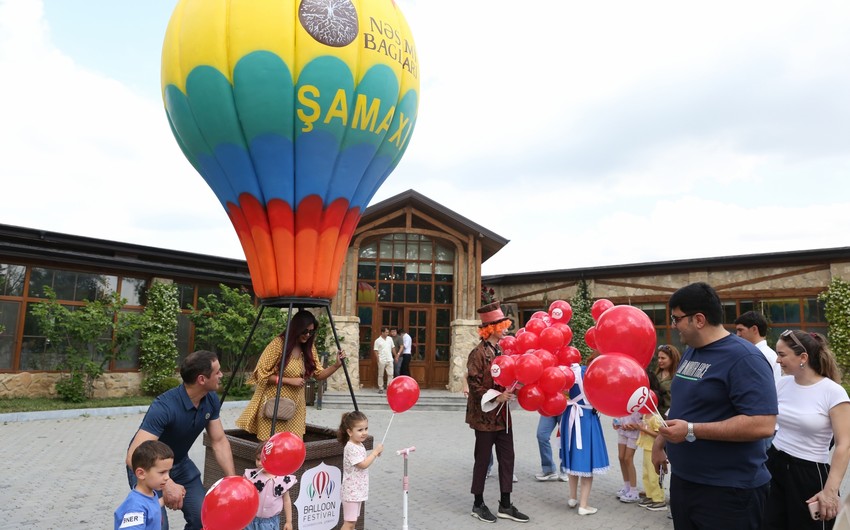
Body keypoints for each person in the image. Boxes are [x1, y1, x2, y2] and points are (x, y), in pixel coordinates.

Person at [652, 282, 777, 530]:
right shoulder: (691, 352)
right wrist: (660, 443)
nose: (674, 325)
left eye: (676, 318)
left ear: (699, 319)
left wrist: (691, 430)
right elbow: (683, 406)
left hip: (728, 491)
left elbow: (763, 424)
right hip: (686, 483)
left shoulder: (744, 358)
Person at [125, 350, 236, 530]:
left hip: (180, 463)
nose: (221, 375)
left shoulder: (210, 400)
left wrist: (232, 479)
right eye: (217, 372)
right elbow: (132, 456)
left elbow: (219, 441)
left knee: (204, 518)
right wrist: (167, 482)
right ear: (202, 379)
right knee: (157, 526)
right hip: (149, 467)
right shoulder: (164, 407)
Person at [763, 330, 850, 528]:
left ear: (803, 357)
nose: (777, 360)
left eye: (782, 355)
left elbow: (844, 445)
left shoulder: (833, 392)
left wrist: (830, 491)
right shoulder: (782, 385)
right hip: (774, 464)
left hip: (809, 474)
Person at [236, 310, 347, 441]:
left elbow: (319, 374)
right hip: (274, 405)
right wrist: (289, 381)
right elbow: (261, 374)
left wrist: (336, 365)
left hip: (295, 408)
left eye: (311, 332)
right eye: (305, 331)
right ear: (296, 328)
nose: (307, 335)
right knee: (270, 445)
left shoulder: (309, 348)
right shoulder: (278, 344)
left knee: (291, 445)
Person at [466, 301, 529, 523]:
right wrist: (496, 396)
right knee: (482, 460)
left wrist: (514, 387)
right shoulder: (477, 353)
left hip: (503, 417)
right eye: (502, 325)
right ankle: (478, 503)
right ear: (491, 328)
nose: (506, 329)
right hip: (484, 417)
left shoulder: (502, 350)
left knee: (507, 459)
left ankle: (505, 503)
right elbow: (474, 385)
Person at [560, 353, 609, 516]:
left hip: (569, 417)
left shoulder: (573, 371)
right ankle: (584, 505)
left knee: (573, 456)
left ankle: (572, 498)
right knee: (587, 461)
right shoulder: (599, 378)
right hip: (586, 419)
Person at [338, 410, 384, 530]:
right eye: (360, 430)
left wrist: (375, 454)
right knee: (349, 523)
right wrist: (374, 453)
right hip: (351, 491)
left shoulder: (359, 444)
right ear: (349, 432)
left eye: (366, 429)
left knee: (353, 523)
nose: (364, 433)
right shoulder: (351, 447)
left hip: (357, 491)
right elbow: (363, 464)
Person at [115, 440, 174, 530]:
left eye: (168, 472)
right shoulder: (134, 507)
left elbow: (151, 506)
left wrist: (165, 500)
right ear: (141, 473)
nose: (167, 477)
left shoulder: (149, 494)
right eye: (162, 472)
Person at [244, 443, 297, 530]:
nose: (260, 463)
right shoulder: (251, 476)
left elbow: (286, 500)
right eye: (258, 459)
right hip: (250, 520)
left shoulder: (282, 479)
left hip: (270, 522)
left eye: (264, 460)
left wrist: (289, 521)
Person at [635, 371, 666, 511]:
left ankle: (659, 499)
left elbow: (660, 435)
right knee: (646, 474)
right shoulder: (645, 416)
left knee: (654, 475)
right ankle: (650, 495)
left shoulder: (655, 418)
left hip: (653, 449)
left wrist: (644, 429)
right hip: (646, 448)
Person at [734, 310, 782, 382]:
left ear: (754, 329)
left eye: (740, 330)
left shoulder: (765, 356)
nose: (737, 334)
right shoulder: (754, 353)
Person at [612, 411, 641, 503]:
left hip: (634, 433)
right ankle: (626, 486)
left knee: (628, 458)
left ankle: (633, 491)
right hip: (622, 430)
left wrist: (635, 425)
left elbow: (643, 420)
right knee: (621, 457)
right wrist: (615, 422)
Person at [535, 412, 566, 482]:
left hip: (566, 406)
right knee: (541, 435)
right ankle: (549, 469)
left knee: (565, 437)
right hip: (548, 406)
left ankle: (565, 469)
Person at [655, 344, 680, 418]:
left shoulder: (678, 376)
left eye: (663, 358)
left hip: (671, 417)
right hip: (656, 416)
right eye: (658, 358)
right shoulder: (656, 375)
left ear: (672, 359)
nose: (659, 360)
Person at [373, 327, 394, 394]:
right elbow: (375, 350)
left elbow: (393, 347)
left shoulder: (390, 339)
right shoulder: (377, 340)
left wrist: (395, 355)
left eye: (388, 332)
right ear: (382, 332)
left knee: (390, 374)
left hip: (389, 358)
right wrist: (378, 358)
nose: (387, 333)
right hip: (382, 359)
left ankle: (389, 388)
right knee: (381, 374)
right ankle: (381, 388)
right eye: (386, 332)